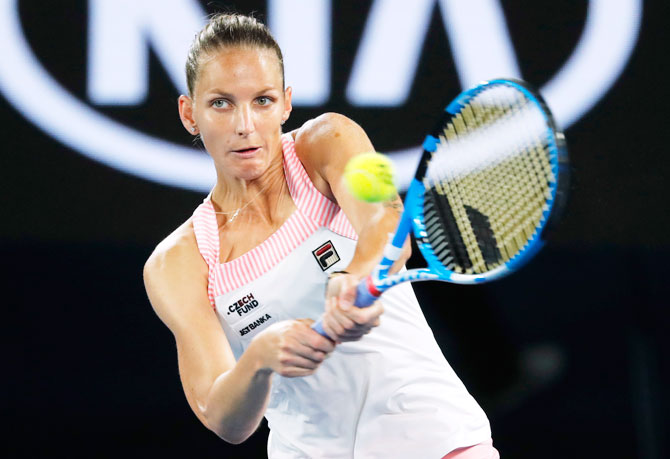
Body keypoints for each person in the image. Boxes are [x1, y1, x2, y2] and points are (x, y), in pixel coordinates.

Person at [143, 13, 498, 459]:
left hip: (432, 437)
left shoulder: (331, 139)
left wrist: (356, 277)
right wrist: (259, 359)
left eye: (263, 100)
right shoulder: (176, 263)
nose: (245, 125)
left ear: (287, 104)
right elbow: (221, 418)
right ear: (189, 113)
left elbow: (387, 226)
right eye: (221, 103)